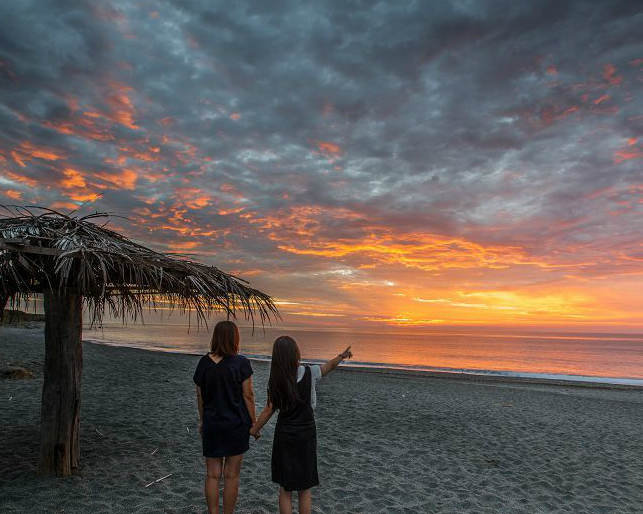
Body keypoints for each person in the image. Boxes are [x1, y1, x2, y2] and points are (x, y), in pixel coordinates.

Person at [250, 336, 353, 514]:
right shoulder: (309, 373)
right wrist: (341, 356)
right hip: (306, 434)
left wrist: (254, 430)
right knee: (304, 488)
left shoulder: (275, 381)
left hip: (285, 435)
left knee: (285, 488)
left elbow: (268, 410)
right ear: (295, 354)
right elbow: (328, 367)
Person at [193, 320, 256, 514]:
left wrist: (203, 420)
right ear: (235, 338)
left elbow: (200, 395)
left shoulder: (204, 363)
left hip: (212, 424)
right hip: (235, 425)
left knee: (212, 475)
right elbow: (248, 395)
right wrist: (254, 422)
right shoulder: (241, 363)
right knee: (231, 475)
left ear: (215, 337)